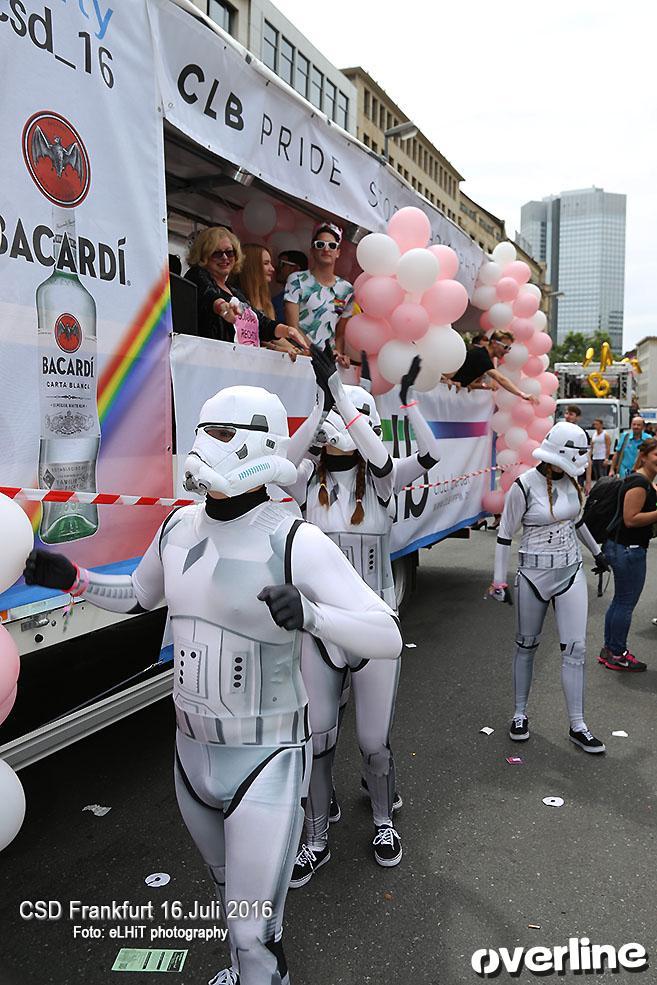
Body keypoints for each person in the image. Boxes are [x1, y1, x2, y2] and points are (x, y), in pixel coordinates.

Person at [23, 385, 402, 985]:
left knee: (255, 933)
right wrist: (74, 578)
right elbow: (141, 595)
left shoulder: (295, 539)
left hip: (266, 757)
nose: (203, 445)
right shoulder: (177, 525)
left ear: (260, 443)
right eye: (201, 429)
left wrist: (313, 615)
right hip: (190, 754)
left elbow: (386, 633)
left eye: (221, 433)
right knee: (231, 905)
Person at [284, 347, 441, 882]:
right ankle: (315, 836)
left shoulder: (382, 482)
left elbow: (417, 455)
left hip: (373, 628)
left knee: (373, 742)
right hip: (319, 630)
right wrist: (319, 405)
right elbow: (282, 467)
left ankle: (382, 820)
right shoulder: (307, 481)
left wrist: (398, 402)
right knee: (318, 736)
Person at [488, 421, 609, 754]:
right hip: (533, 575)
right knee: (526, 645)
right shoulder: (524, 486)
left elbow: (577, 521)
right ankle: (519, 714)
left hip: (570, 572)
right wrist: (499, 580)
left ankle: (578, 725)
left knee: (576, 649)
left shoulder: (570, 482)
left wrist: (597, 553)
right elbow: (504, 534)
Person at [184, 226, 307, 353]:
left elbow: (261, 323)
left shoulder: (235, 292)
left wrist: (287, 330)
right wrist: (221, 306)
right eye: (217, 253)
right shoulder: (196, 275)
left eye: (230, 252)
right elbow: (208, 295)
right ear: (203, 256)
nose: (225, 257)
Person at [598, 438, 657, 672]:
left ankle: (610, 649)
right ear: (643, 456)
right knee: (625, 603)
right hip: (627, 549)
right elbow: (631, 519)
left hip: (623, 547)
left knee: (620, 601)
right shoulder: (639, 483)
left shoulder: (643, 481)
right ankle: (618, 653)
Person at [284, 223, 354, 366]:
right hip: (300, 358)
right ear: (312, 250)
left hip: (328, 364)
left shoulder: (346, 290)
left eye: (332, 246)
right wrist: (315, 353)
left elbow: (340, 333)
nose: (326, 249)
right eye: (320, 244)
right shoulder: (296, 280)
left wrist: (338, 354)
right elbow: (292, 326)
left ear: (338, 252)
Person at [234, 243, 304, 360]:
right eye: (266, 263)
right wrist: (278, 348)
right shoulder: (236, 298)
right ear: (252, 266)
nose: (272, 268)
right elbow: (251, 336)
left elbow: (272, 334)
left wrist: (297, 350)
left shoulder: (265, 299)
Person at [446, 331, 539, 405]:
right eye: (506, 347)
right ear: (494, 343)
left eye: (509, 348)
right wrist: (522, 394)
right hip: (446, 394)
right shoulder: (481, 356)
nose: (507, 351)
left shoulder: (483, 357)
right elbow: (501, 379)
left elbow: (469, 382)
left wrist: (476, 386)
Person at [272, 250, 308, 322]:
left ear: (296, 268)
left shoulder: (310, 296)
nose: (276, 268)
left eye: (281, 264)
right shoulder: (275, 300)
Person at [585, 418, 612, 488]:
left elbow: (608, 447)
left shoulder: (605, 435)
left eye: (597, 424)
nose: (595, 426)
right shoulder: (594, 434)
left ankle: (605, 488)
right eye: (594, 424)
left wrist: (606, 459)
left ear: (601, 425)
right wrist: (589, 457)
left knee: (602, 476)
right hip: (595, 458)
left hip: (602, 458)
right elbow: (591, 447)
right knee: (596, 476)